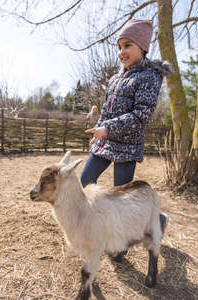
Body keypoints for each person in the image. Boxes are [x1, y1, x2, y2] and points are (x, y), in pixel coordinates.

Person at [80, 19, 171, 259]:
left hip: (127, 146)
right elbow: (106, 111)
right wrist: (99, 134)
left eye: (127, 45)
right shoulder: (114, 78)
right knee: (85, 180)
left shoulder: (150, 77)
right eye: (119, 47)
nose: (121, 52)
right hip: (106, 140)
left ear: (142, 48)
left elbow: (141, 115)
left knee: (122, 200)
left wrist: (107, 128)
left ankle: (128, 241)